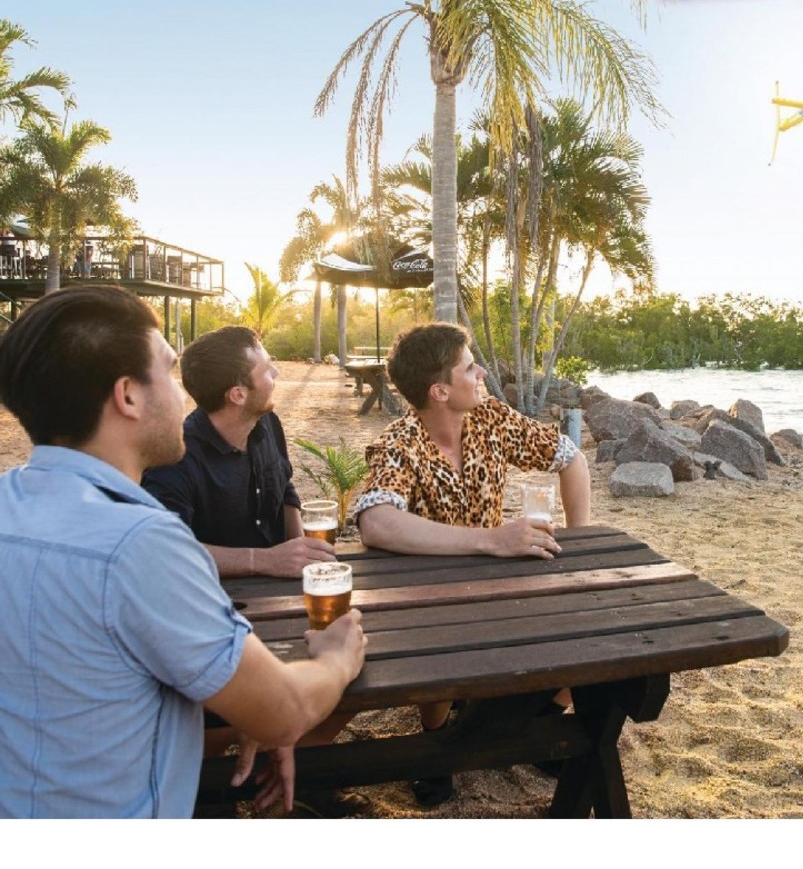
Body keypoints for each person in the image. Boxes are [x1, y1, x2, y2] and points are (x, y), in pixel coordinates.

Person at [0, 285, 366, 817]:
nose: (184, 394)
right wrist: (337, 657)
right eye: (170, 372)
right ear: (128, 396)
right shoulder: (140, 544)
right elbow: (283, 712)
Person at [354, 321, 591, 807]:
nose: (481, 371)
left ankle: (542, 720)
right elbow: (376, 523)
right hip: (427, 595)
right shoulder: (400, 443)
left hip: (500, 582)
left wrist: (579, 541)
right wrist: (489, 540)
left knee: (589, 623)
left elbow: (572, 459)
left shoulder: (493, 421)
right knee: (437, 635)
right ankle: (436, 740)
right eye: (469, 367)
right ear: (440, 390)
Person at [142, 325, 333, 578]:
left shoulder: (267, 422)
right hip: (216, 601)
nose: (275, 373)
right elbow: (165, 551)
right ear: (238, 394)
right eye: (266, 369)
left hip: (282, 592)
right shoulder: (174, 459)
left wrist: (302, 555)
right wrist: (264, 561)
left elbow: (285, 488)